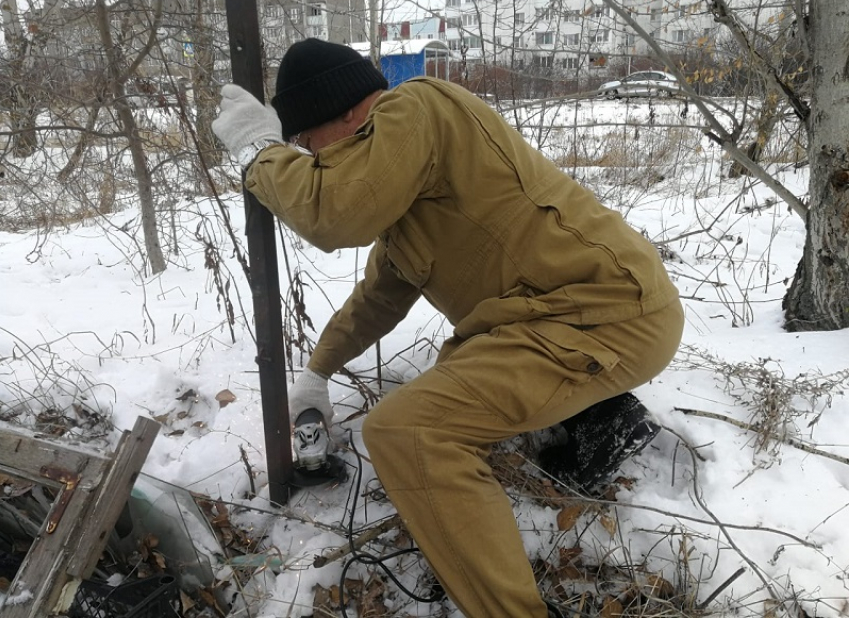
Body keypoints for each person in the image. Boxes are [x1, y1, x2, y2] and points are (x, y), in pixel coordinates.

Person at [212, 38, 683, 618]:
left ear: (347, 113)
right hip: (558, 318)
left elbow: (336, 213)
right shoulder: (407, 188)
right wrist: (317, 370)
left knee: (411, 431)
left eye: (307, 139)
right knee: (451, 375)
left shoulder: (417, 107)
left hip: (607, 315)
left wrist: (261, 152)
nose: (307, 154)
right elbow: (379, 296)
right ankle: (599, 418)